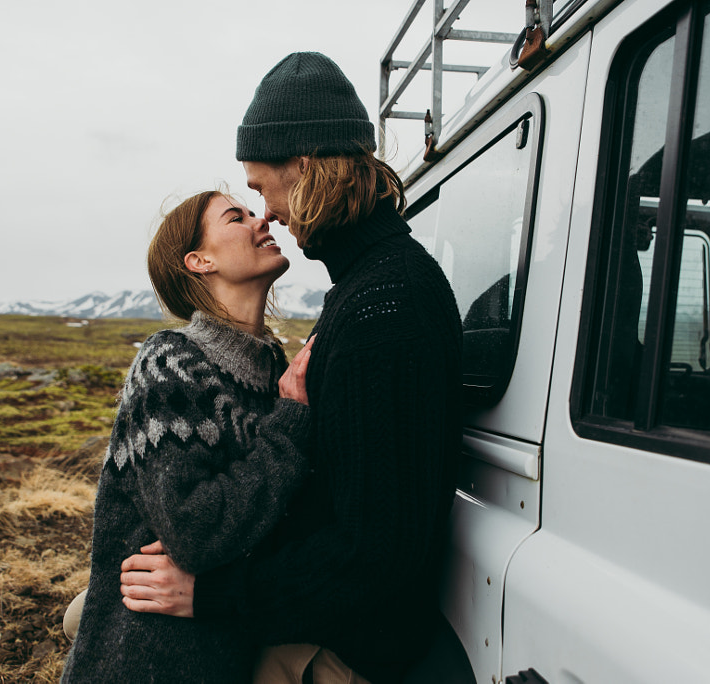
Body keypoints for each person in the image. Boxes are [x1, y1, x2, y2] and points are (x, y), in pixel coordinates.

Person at [120, 52, 462, 684]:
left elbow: (376, 555)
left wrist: (213, 596)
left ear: (304, 166)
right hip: (325, 624)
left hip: (346, 649)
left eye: (260, 188)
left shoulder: (384, 304)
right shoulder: (365, 288)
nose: (268, 212)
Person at [60, 189, 315, 683]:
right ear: (199, 261)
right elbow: (194, 531)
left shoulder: (272, 372)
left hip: (226, 654)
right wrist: (290, 428)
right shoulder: (171, 362)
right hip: (144, 662)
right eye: (235, 217)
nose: (262, 220)